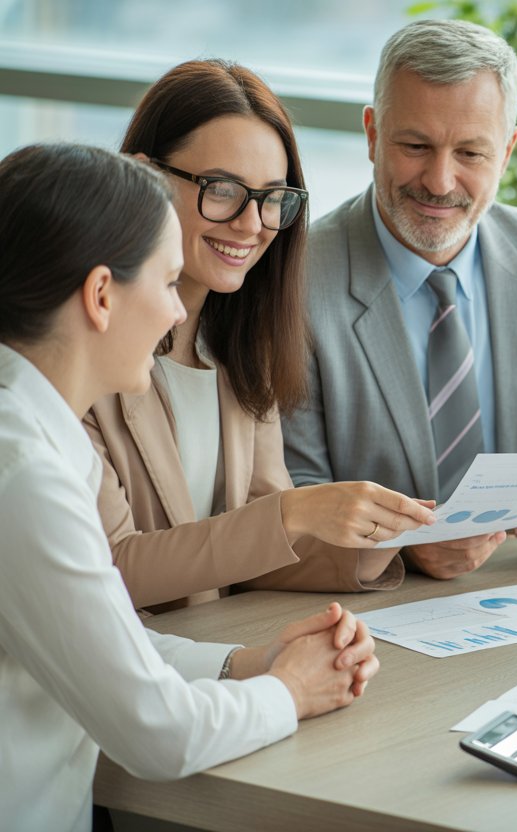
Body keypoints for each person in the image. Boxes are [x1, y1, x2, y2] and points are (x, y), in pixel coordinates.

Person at [0, 142, 381, 832]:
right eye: (169, 283)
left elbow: (106, 640)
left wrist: (247, 662)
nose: (180, 314)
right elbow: (157, 734)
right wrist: (287, 691)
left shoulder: (34, 439)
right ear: (101, 295)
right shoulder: (23, 477)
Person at [280, 20, 517, 580]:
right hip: (371, 616)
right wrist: (401, 546)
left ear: (506, 151)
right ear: (372, 134)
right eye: (415, 146)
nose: (439, 181)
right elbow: (290, 495)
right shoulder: (297, 279)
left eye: (470, 153)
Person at [85, 60, 435, 613]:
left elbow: (254, 550)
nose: (252, 224)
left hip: (205, 660)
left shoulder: (241, 345)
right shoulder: (80, 345)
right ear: (142, 177)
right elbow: (106, 569)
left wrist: (390, 539)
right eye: (222, 189)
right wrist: (294, 512)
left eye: (272, 197)